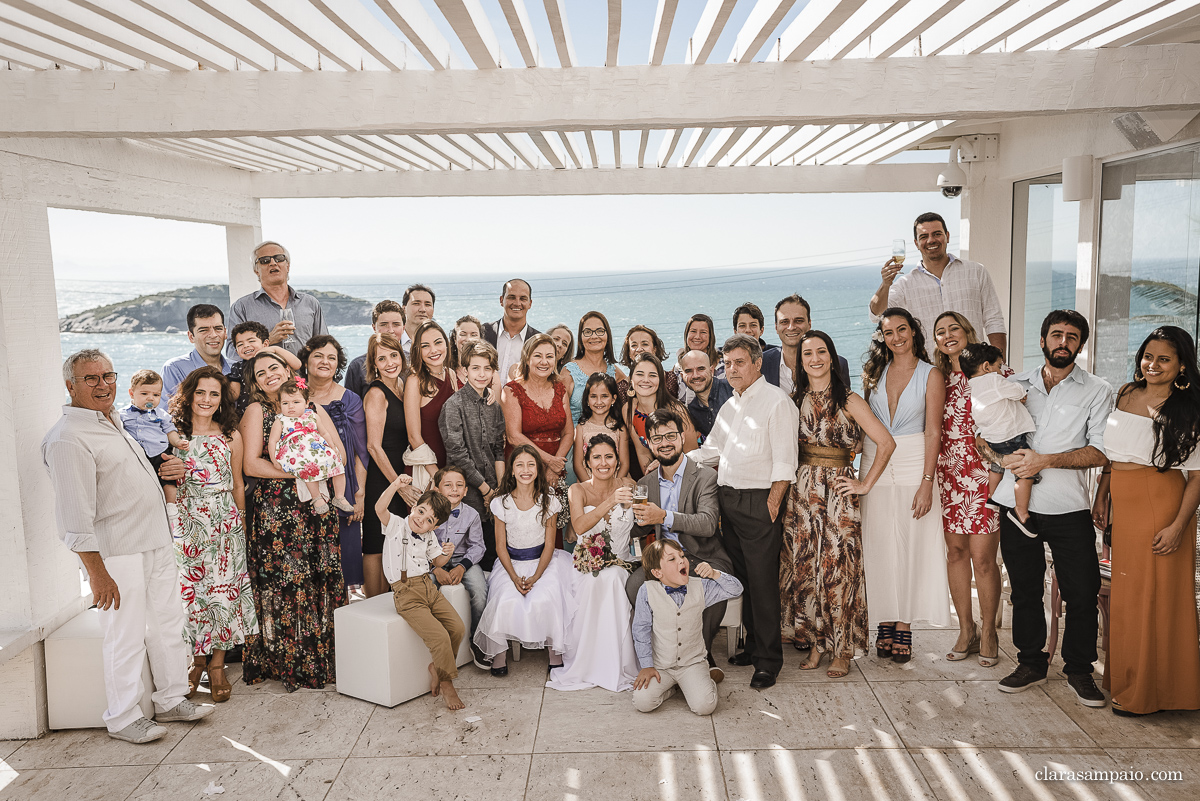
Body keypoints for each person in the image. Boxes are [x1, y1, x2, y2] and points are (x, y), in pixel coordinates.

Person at [43, 349, 211, 744]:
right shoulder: (68, 438)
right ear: (70, 385)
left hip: (154, 541)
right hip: (117, 553)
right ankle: (121, 717)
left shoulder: (114, 422)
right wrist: (97, 573)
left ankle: (171, 698)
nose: (104, 384)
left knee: (169, 622)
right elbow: (74, 516)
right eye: (91, 379)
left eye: (108, 375)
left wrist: (165, 470)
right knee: (126, 634)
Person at [992, 310, 1111, 707]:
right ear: (1042, 341)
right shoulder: (1014, 384)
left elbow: (1099, 451)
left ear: (1081, 344)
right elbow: (986, 436)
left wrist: (1044, 460)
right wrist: (1001, 456)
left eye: (1072, 337)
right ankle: (1030, 662)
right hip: (1015, 503)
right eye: (1056, 335)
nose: (1063, 342)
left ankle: (1079, 669)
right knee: (1025, 590)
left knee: (1082, 591)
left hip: (1067, 507)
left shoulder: (1096, 389)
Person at [1093, 326, 1200, 717]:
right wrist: (1102, 495)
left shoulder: (1187, 408)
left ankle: (1153, 693)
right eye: (1147, 356)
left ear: (1182, 366)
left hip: (1162, 506)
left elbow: (1196, 477)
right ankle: (1129, 680)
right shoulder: (1126, 393)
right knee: (1129, 598)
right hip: (1124, 499)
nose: (1152, 365)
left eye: (1164, 359)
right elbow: (1112, 455)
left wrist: (1177, 527)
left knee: (1157, 600)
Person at [783, 331, 895, 678]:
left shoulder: (849, 399)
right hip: (802, 494)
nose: (814, 359)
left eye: (820, 352)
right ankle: (817, 642)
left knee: (837, 571)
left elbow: (885, 442)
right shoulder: (794, 397)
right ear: (800, 362)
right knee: (806, 570)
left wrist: (864, 483)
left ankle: (843, 648)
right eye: (807, 354)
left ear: (831, 356)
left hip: (838, 496)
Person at [694, 334, 799, 689]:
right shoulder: (730, 405)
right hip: (728, 502)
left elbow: (786, 461)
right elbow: (710, 452)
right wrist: (673, 462)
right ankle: (753, 647)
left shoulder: (776, 402)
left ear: (757, 362)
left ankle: (768, 662)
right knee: (745, 582)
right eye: (727, 363)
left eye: (740, 362)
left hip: (759, 503)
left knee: (763, 583)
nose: (732, 369)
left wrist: (772, 505)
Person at [238, 349, 343, 690]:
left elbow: (336, 451)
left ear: (288, 370)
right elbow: (252, 465)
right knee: (290, 586)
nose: (268, 375)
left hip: (318, 505)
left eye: (274, 367)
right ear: (254, 383)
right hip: (279, 513)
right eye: (260, 373)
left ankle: (327, 657)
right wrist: (301, 473)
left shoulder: (311, 408)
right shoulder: (258, 411)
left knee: (318, 578)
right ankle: (291, 664)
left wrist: (321, 477)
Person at [860, 308, 950, 664]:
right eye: (888, 332)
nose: (896, 337)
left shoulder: (931, 375)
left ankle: (904, 623)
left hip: (916, 463)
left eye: (902, 330)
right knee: (879, 542)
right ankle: (883, 619)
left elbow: (933, 431)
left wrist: (928, 482)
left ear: (913, 332)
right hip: (876, 464)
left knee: (913, 544)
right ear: (882, 336)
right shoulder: (873, 372)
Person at [167, 366, 257, 704]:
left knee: (223, 593)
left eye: (214, 394)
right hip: (187, 522)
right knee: (191, 595)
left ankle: (217, 664)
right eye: (201, 392)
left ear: (221, 400)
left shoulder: (230, 435)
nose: (206, 399)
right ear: (190, 395)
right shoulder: (173, 434)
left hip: (223, 522)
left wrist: (242, 523)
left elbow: (237, 483)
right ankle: (196, 662)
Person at [627, 409, 731, 679]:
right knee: (635, 584)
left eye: (670, 435)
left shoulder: (705, 475)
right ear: (649, 443)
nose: (664, 443)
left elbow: (708, 524)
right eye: (656, 438)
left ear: (683, 436)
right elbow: (640, 528)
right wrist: (628, 516)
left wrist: (663, 516)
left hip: (703, 554)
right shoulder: (645, 482)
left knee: (708, 581)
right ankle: (659, 656)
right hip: (665, 560)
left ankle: (703, 658)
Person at [931, 312, 1003, 667]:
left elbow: (1013, 421)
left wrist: (998, 467)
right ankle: (966, 628)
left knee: (984, 559)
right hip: (950, 475)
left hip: (984, 474)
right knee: (956, 553)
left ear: (967, 332)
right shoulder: (938, 378)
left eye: (953, 329)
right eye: (940, 332)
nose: (948, 336)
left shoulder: (991, 370)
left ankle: (989, 630)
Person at [473, 446, 576, 676]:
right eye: (519, 465)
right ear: (511, 471)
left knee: (547, 596)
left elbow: (550, 544)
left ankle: (554, 650)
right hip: (510, 563)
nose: (525, 470)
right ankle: (499, 652)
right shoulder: (502, 503)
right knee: (504, 599)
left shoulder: (548, 501)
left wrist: (536, 576)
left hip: (543, 562)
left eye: (531, 464)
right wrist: (513, 577)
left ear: (538, 470)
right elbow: (500, 546)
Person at [548, 433, 639, 691]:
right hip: (585, 564)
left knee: (614, 579)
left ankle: (621, 662)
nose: (603, 463)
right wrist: (611, 501)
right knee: (603, 581)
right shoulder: (577, 490)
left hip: (622, 560)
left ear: (618, 461)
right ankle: (592, 662)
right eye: (596, 457)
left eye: (609, 456)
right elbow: (578, 526)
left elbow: (642, 519)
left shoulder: (630, 485)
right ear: (587, 463)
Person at [376, 479, 464, 710]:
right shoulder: (396, 524)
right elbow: (379, 508)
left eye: (429, 521)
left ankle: (438, 667)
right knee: (439, 637)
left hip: (428, 588)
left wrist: (448, 553)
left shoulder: (429, 536)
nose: (421, 520)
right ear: (414, 506)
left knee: (457, 628)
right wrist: (395, 485)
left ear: (434, 527)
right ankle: (446, 683)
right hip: (407, 593)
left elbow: (437, 561)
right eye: (421, 511)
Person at [632, 540, 743, 716]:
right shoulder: (647, 591)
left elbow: (736, 590)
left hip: (692, 663)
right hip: (662, 665)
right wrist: (647, 666)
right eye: (672, 559)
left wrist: (715, 574)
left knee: (704, 707)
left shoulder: (701, 586)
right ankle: (674, 689)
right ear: (657, 572)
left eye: (682, 556)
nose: (682, 561)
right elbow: (641, 629)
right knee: (642, 702)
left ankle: (706, 679)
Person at [869, 212, 1006, 351]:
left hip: (975, 365)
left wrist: (999, 362)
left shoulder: (976, 271)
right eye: (923, 236)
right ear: (916, 243)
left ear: (947, 236)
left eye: (936, 234)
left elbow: (993, 319)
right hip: (931, 369)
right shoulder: (905, 285)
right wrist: (885, 285)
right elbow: (876, 315)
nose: (931, 240)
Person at [300, 334, 368, 594]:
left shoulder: (350, 399)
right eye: (318, 355)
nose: (325, 361)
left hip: (343, 488)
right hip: (305, 490)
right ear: (305, 360)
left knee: (344, 560)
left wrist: (360, 493)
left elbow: (361, 451)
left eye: (332, 357)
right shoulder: (292, 396)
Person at [960, 343, 1040, 536]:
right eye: (999, 366)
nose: (1001, 371)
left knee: (997, 468)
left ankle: (992, 496)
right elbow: (1016, 391)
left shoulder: (972, 386)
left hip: (992, 438)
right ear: (987, 367)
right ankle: (1020, 510)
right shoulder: (993, 380)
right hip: (1009, 436)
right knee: (1025, 472)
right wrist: (1021, 393)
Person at [440, 340, 506, 571]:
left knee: (495, 553)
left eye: (487, 368)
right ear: (464, 370)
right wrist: (485, 490)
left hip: (494, 492)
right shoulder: (453, 405)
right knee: (470, 553)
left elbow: (499, 448)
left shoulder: (493, 406)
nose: (481, 374)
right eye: (475, 368)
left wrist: (498, 488)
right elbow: (457, 454)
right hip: (467, 493)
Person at [502, 333, 573, 542]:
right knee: (526, 524)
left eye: (549, 356)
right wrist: (549, 461)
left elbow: (568, 432)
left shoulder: (560, 388)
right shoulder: (512, 390)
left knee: (552, 523)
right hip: (523, 465)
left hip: (555, 465)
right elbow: (514, 436)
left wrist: (554, 466)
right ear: (527, 358)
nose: (544, 362)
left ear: (556, 360)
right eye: (538, 356)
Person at [362, 332, 412, 598]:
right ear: (374, 363)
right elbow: (373, 446)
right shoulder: (376, 393)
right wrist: (398, 486)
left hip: (399, 474)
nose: (390, 362)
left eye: (394, 355)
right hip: (383, 478)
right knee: (376, 542)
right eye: (382, 358)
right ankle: (373, 606)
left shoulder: (402, 387)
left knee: (396, 542)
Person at [429, 466, 490, 669]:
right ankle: (436, 642)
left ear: (465, 491)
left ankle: (477, 641)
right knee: (426, 588)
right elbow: (418, 544)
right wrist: (436, 568)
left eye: (459, 485)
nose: (454, 489)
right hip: (432, 561)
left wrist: (462, 567)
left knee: (480, 590)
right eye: (448, 485)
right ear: (437, 489)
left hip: (463, 559)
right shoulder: (424, 512)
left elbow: (478, 546)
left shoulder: (471, 514)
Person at [226, 241, 327, 358]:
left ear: (287, 266)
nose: (273, 263)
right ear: (256, 270)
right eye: (265, 260)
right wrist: (268, 340)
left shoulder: (310, 303)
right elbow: (232, 353)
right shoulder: (242, 307)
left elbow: (324, 345)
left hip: (304, 376)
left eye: (279, 258)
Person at [268, 376, 352, 516]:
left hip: (316, 448)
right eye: (285, 403)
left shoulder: (312, 415)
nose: (291, 406)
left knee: (337, 463)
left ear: (306, 403)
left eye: (296, 402)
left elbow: (325, 433)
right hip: (295, 452)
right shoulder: (281, 420)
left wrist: (333, 448)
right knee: (307, 466)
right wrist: (273, 459)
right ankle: (316, 496)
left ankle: (339, 496)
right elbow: (273, 441)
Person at [120, 369, 189, 514]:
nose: (151, 398)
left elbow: (170, 431)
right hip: (137, 455)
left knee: (167, 478)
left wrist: (177, 442)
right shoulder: (122, 415)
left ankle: (171, 505)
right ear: (131, 393)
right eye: (144, 394)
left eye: (156, 395)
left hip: (159, 451)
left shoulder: (162, 415)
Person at [404, 321, 459, 490]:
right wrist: (437, 475)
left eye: (438, 342)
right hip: (426, 470)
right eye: (425, 346)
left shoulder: (451, 374)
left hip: (452, 466)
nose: (434, 350)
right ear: (417, 351)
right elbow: (414, 437)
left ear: (447, 344)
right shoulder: (415, 381)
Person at [626, 353, 698, 475]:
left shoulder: (676, 410)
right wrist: (650, 481)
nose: (645, 380)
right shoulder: (629, 409)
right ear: (631, 379)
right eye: (639, 374)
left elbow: (693, 454)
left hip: (696, 467)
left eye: (652, 375)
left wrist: (667, 463)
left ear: (660, 380)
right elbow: (642, 452)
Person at [763, 295, 851, 392]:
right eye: (784, 322)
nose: (791, 327)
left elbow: (845, 402)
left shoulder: (838, 364)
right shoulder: (761, 363)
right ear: (776, 327)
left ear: (809, 324)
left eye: (798, 321)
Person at [562, 311, 626, 425]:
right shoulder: (569, 371)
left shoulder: (615, 372)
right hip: (575, 438)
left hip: (607, 438)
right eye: (587, 332)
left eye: (600, 331)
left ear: (608, 336)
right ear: (581, 338)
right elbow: (559, 414)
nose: (594, 336)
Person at [228, 321, 302, 414]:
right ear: (236, 351)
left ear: (266, 344)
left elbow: (297, 364)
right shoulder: (238, 367)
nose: (246, 346)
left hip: (275, 408)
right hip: (247, 412)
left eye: (251, 341)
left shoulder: (273, 359)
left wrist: (274, 349)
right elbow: (233, 394)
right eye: (240, 344)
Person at [161, 304, 232, 400]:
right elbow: (165, 412)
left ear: (225, 333)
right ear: (191, 337)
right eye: (204, 330)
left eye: (218, 328)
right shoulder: (174, 368)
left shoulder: (237, 368)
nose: (213, 335)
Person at [573, 373, 630, 482]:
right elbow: (578, 465)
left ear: (613, 399)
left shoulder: (620, 429)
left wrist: (614, 488)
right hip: (588, 485)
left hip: (616, 485)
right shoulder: (581, 428)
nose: (599, 402)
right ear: (587, 400)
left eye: (604, 396)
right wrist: (591, 490)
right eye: (593, 396)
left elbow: (624, 464)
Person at [345, 300, 406, 400]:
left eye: (396, 324)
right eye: (384, 324)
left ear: (403, 327)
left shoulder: (413, 361)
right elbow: (350, 408)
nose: (390, 330)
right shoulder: (357, 366)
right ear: (374, 328)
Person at [483, 279, 540, 382]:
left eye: (523, 298)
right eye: (511, 297)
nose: (517, 303)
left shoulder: (538, 341)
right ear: (501, 300)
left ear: (530, 303)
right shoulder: (483, 332)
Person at [679, 350, 733, 442]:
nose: (695, 375)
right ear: (682, 376)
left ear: (711, 371)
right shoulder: (692, 411)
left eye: (701, 369)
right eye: (689, 371)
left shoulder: (733, 390)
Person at [618, 325, 679, 399]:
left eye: (645, 344)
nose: (639, 349)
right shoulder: (622, 387)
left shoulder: (671, 379)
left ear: (654, 349)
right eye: (634, 345)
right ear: (629, 353)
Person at [400, 284, 436, 359]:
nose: (422, 309)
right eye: (416, 303)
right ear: (404, 309)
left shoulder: (440, 345)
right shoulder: (393, 341)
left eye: (427, 304)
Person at [450, 314, 484, 385]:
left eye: (473, 335)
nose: (468, 339)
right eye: (463, 334)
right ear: (454, 338)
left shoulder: (490, 373)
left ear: (480, 339)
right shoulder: (445, 370)